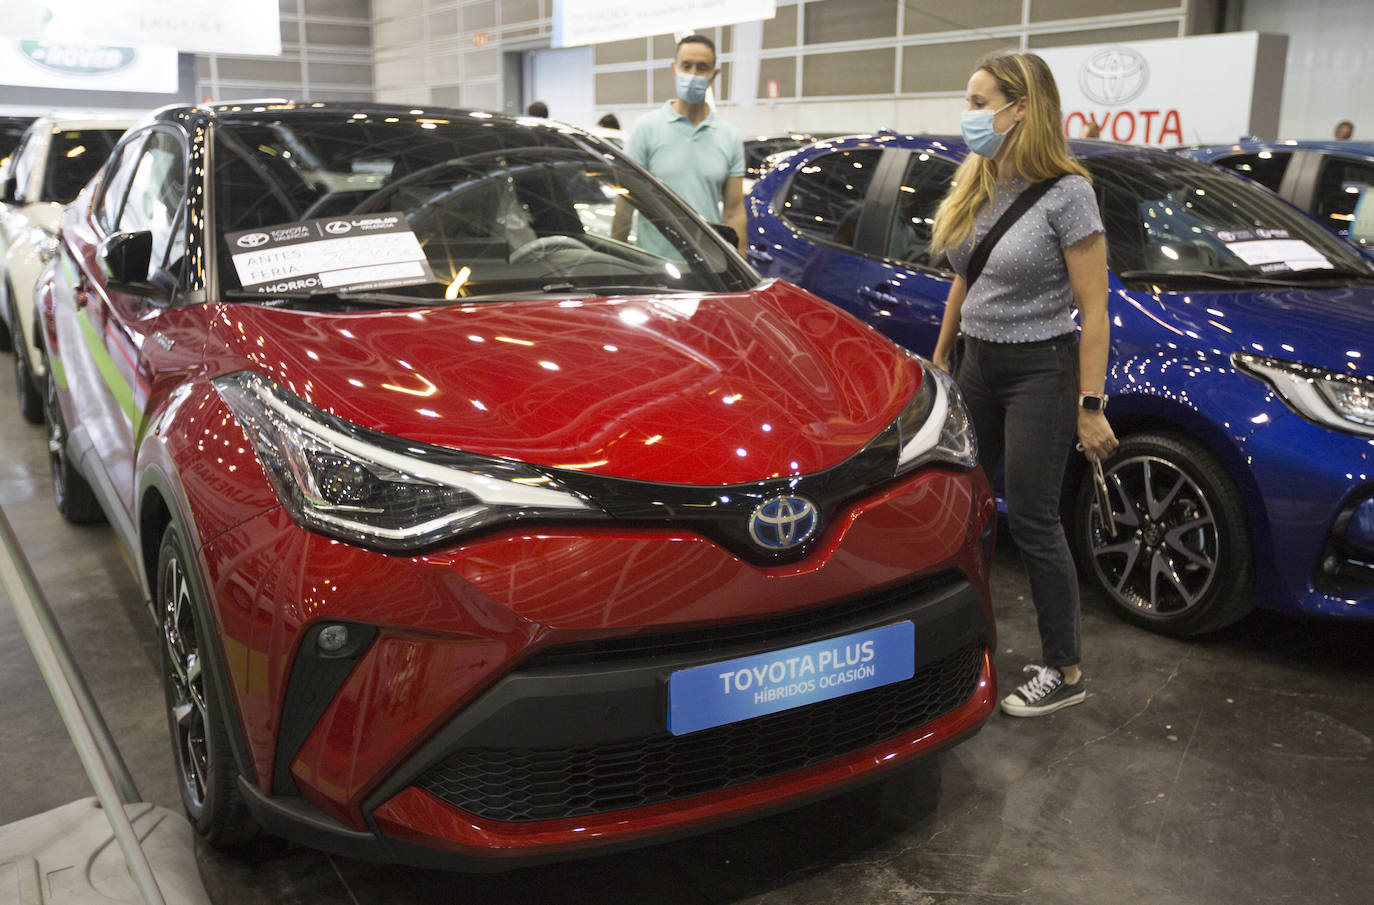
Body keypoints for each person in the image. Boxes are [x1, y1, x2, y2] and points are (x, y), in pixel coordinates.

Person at [929, 50, 1116, 717]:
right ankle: (960, 645)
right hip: (978, 363)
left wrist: (1089, 404)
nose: (970, 114)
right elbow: (964, 275)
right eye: (970, 101)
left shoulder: (1068, 193)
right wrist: (943, 351)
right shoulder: (978, 179)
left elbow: (1094, 311)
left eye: (981, 103)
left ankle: (1065, 668)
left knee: (1033, 518)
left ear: (1022, 109)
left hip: (1042, 367)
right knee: (965, 508)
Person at [612, 34, 745, 253]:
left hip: (710, 267)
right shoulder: (646, 128)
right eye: (686, 66)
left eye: (702, 67)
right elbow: (625, 203)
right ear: (675, 69)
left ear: (713, 75)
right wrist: (617, 261)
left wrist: (740, 261)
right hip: (654, 266)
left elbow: (734, 211)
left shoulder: (729, 136)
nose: (693, 74)